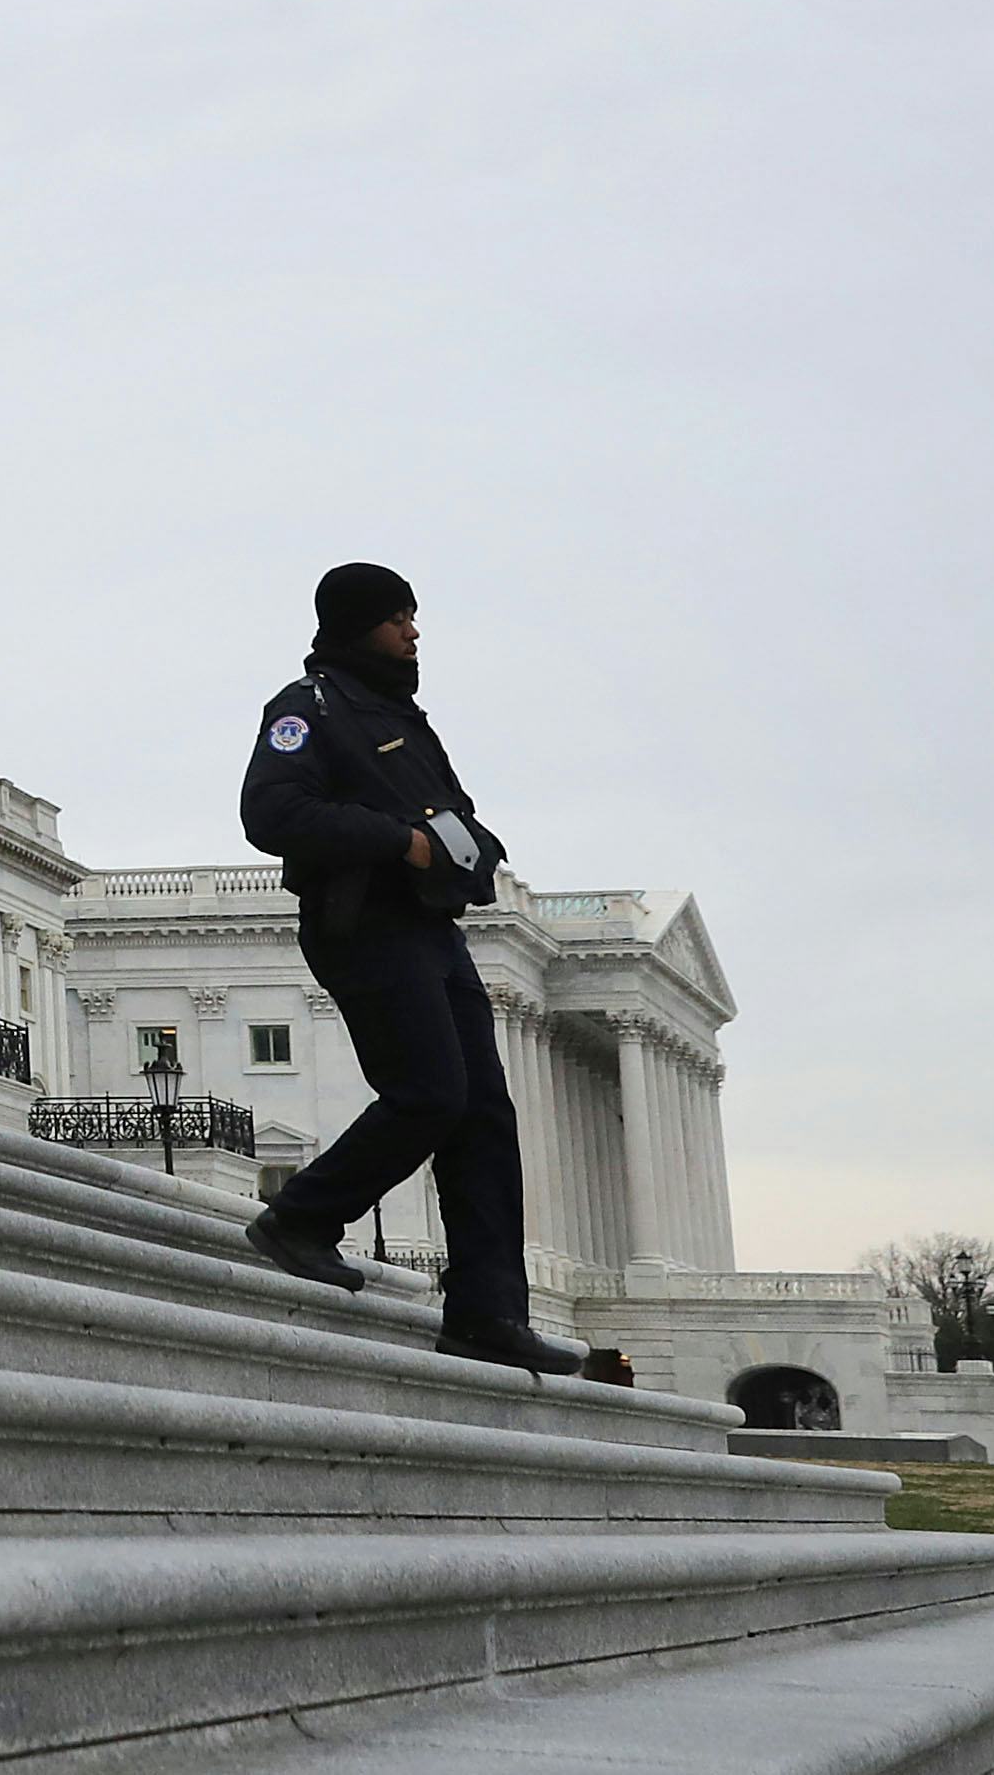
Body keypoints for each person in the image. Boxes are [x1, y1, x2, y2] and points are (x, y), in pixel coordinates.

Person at [230, 561, 607, 1377]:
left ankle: (485, 1309)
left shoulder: (402, 717)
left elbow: (456, 817)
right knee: (429, 1092)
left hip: (431, 928)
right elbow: (270, 812)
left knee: (482, 1115)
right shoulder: (306, 710)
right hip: (359, 922)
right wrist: (398, 841)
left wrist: (467, 856)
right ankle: (299, 1215)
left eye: (413, 615)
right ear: (355, 623)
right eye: (397, 616)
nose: (412, 630)